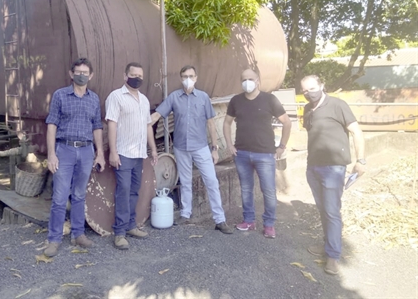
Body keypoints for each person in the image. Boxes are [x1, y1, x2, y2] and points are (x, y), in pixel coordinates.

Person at [151, 65, 233, 234]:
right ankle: (186, 214)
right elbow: (158, 114)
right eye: (185, 76)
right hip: (181, 148)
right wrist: (144, 123)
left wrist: (215, 148)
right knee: (185, 182)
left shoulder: (203, 98)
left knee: (211, 181)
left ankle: (220, 219)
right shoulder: (174, 97)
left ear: (196, 78)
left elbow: (211, 124)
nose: (188, 79)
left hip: (201, 148)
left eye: (191, 76)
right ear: (181, 78)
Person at [301, 75, 366, 275]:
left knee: (331, 211)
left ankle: (333, 257)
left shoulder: (338, 105)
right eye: (305, 90)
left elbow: (356, 132)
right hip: (313, 167)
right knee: (323, 210)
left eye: (312, 88)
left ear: (322, 85)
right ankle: (328, 244)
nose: (309, 93)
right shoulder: (307, 109)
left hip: (334, 168)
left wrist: (360, 160)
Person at [43, 58, 106, 257]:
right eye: (78, 71)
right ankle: (54, 239)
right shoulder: (60, 96)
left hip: (86, 151)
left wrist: (100, 154)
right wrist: (51, 154)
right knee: (60, 197)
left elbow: (97, 126)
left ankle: (78, 234)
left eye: (85, 72)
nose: (81, 75)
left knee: (79, 195)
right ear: (71, 74)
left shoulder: (94, 99)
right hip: (65, 150)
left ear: (91, 75)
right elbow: (51, 124)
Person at [223, 68, 291, 239]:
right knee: (246, 189)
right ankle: (249, 221)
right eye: (244, 79)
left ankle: (269, 224)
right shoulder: (236, 101)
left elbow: (287, 122)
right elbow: (226, 123)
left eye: (250, 79)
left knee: (268, 190)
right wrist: (230, 145)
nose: (247, 82)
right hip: (242, 153)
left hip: (265, 154)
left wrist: (282, 146)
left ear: (258, 80)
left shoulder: (270, 100)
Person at [105, 62, 158, 250]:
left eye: (140, 76)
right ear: (125, 76)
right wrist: (113, 151)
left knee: (134, 191)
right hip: (123, 153)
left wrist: (152, 149)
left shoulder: (144, 100)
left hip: (139, 154)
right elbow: (112, 124)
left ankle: (130, 226)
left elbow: (147, 126)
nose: (137, 78)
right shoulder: (116, 97)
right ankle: (119, 233)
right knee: (124, 190)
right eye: (133, 75)